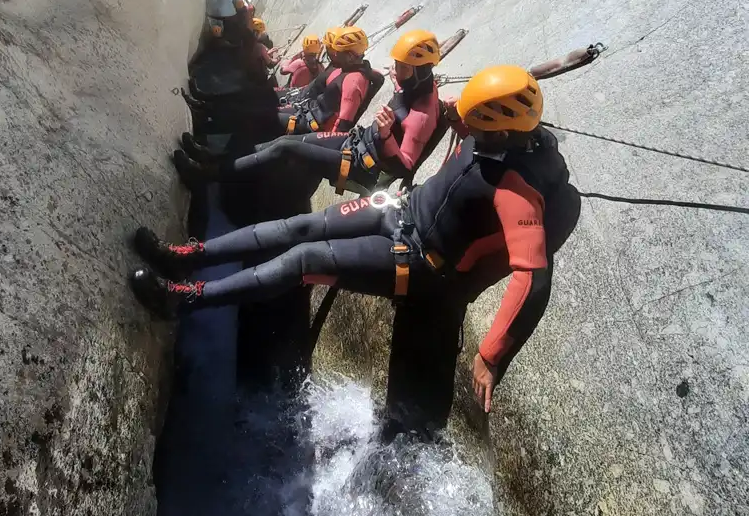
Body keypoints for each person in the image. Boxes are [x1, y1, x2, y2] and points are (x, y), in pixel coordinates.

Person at [130, 65, 580, 412]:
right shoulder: (501, 133)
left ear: (502, 129)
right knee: (299, 227)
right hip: (399, 210)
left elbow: (532, 276)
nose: (469, 125)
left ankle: (183, 298)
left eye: (478, 123)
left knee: (302, 259)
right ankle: (188, 255)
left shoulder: (518, 189)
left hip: (419, 261)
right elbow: (450, 112)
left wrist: (492, 353)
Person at [173, 30, 444, 194]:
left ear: (421, 70)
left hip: (360, 165)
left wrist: (385, 136)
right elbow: (383, 80)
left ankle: (207, 173)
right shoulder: (415, 86)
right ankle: (212, 153)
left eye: (403, 68)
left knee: (282, 146)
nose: (396, 71)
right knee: (279, 139)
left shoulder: (419, 114)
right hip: (354, 143)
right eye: (396, 65)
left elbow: (403, 165)